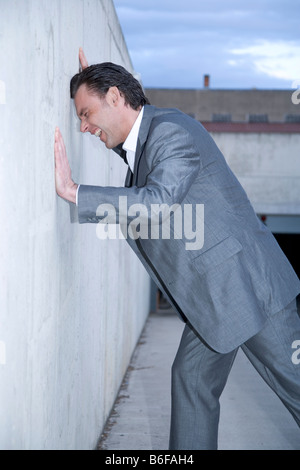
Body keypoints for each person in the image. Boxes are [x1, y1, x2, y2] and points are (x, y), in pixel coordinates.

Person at [54, 49, 300, 450]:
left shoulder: (171, 132)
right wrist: (92, 86)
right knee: (192, 381)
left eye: (85, 113)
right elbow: (134, 154)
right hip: (216, 299)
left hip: (251, 288)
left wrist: (76, 192)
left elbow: (155, 202)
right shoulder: (150, 140)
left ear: (115, 97)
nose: (83, 126)